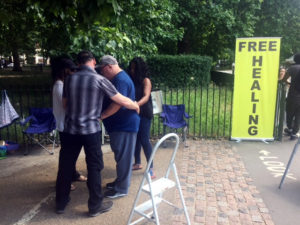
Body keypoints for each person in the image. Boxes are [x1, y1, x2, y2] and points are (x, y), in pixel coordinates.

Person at [55, 51, 139, 216]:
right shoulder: (99, 79)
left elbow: (65, 104)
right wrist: (135, 105)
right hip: (91, 130)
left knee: (65, 166)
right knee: (94, 167)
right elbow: (120, 99)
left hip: (71, 130)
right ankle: (94, 206)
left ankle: (60, 203)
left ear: (78, 63)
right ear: (93, 61)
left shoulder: (69, 79)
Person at [98, 55, 140, 199]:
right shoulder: (120, 78)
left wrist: (101, 116)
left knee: (123, 158)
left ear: (109, 67)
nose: (103, 75)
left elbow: (117, 103)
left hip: (124, 125)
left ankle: (122, 188)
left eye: (103, 71)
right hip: (122, 125)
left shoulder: (120, 79)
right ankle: (120, 182)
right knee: (121, 156)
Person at [51, 57, 87, 192]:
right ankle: (63, 182)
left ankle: (73, 174)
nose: (74, 72)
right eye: (72, 70)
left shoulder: (61, 84)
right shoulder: (60, 86)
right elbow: (68, 106)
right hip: (66, 126)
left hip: (66, 124)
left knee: (72, 154)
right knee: (67, 156)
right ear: (64, 70)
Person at [128, 57, 155, 179]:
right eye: (131, 68)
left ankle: (151, 168)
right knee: (136, 139)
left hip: (144, 112)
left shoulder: (146, 80)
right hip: (136, 111)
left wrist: (135, 105)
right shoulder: (133, 80)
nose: (132, 70)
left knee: (144, 139)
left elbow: (146, 96)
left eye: (135, 68)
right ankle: (137, 162)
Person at [282, 53, 300, 140]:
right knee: (298, 115)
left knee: (289, 112)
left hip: (293, 95)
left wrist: (288, 83)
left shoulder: (293, 68)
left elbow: (284, 79)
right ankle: (294, 132)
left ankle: (290, 128)